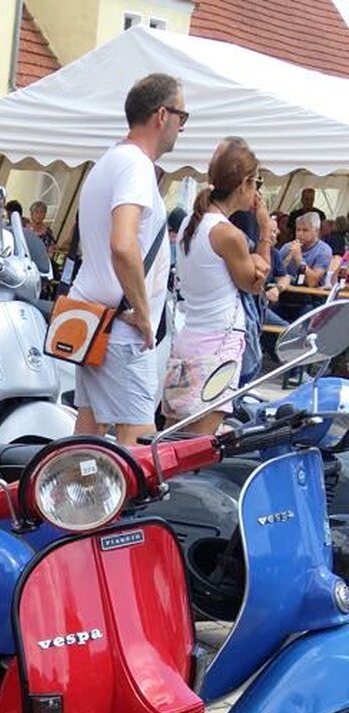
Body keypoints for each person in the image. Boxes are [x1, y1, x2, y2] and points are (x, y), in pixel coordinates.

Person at [69, 72, 184, 446]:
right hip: (120, 327)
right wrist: (144, 313)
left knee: (88, 437)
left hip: (95, 321)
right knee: (139, 448)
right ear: (162, 115)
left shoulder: (108, 161)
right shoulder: (136, 165)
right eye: (182, 117)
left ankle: (76, 503)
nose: (182, 128)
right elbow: (123, 242)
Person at [163, 138, 272, 432]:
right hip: (219, 342)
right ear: (244, 183)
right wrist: (265, 232)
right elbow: (254, 283)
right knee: (197, 445)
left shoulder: (191, 223)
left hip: (189, 337)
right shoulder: (228, 234)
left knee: (174, 436)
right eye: (257, 182)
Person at [281, 211, 333, 289]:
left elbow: (312, 282)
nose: (300, 234)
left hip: (310, 297)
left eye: (305, 230)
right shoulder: (288, 247)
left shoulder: (324, 250)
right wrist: (288, 258)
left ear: (316, 231)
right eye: (298, 230)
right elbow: (274, 273)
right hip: (284, 292)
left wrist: (299, 259)